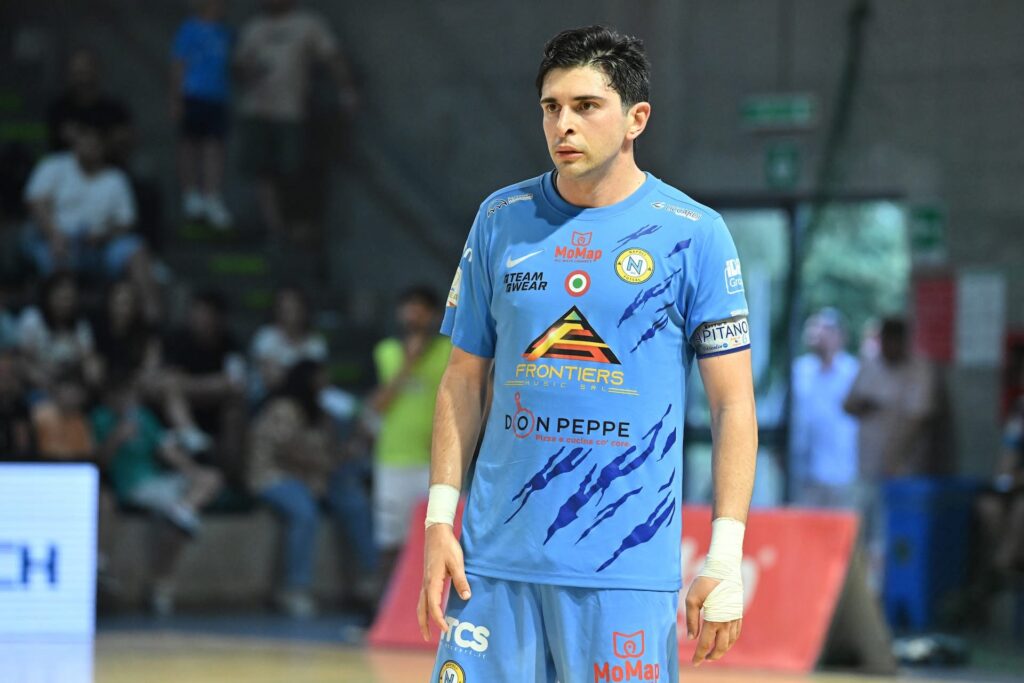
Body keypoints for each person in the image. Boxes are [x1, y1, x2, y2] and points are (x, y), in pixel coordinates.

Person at [419, 26, 758, 681]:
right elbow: (463, 380)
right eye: (551, 107)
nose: (563, 125)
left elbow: (733, 403)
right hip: (492, 566)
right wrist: (439, 520)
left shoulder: (694, 234)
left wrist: (725, 555)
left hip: (623, 571)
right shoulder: (500, 219)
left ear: (636, 119)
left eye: (585, 106)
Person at [247, 360, 376, 618]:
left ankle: (372, 580)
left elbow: (330, 448)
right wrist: (328, 463)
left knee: (354, 503)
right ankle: (294, 589)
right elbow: (289, 450)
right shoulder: (284, 408)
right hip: (274, 476)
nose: (324, 385)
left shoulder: (321, 410)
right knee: (304, 513)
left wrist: (355, 433)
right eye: (319, 380)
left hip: (315, 477)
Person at [92, 372, 223, 615]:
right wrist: (117, 437)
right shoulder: (100, 419)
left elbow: (166, 451)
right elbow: (97, 463)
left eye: (131, 396)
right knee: (180, 524)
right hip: (131, 486)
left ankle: (184, 509)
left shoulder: (143, 417)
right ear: (110, 397)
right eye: (122, 396)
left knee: (209, 479)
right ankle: (162, 583)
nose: (127, 401)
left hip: (157, 481)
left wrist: (192, 472)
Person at [233, 0, 357, 238]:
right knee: (262, 171)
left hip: (291, 112)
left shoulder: (308, 24)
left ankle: (298, 226)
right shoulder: (254, 27)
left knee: (293, 170)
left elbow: (333, 56)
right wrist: (251, 71)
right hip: (257, 110)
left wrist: (347, 89)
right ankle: (274, 227)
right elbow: (237, 66)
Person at [22, 116, 161, 319]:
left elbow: (126, 223)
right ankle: (54, 323)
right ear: (76, 142)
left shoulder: (115, 179)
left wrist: (103, 236)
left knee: (136, 249)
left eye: (95, 143)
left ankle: (152, 318)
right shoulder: (55, 165)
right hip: (53, 240)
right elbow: (36, 202)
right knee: (55, 254)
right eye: (85, 140)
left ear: (104, 147)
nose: (90, 147)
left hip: (98, 246)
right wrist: (54, 234)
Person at [844, 317, 939, 584]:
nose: (889, 347)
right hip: (866, 467)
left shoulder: (919, 370)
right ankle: (861, 589)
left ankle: (888, 590)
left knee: (889, 538)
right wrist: (866, 405)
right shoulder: (869, 365)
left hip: (903, 473)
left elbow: (919, 418)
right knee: (860, 533)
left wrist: (894, 459)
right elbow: (847, 404)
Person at [368, 286, 451, 580]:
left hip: (436, 462)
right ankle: (384, 604)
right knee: (390, 542)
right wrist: (408, 363)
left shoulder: (448, 352)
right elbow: (377, 406)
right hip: (393, 459)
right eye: (409, 307)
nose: (414, 314)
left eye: (422, 308)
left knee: (435, 542)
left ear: (434, 315)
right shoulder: (386, 351)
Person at [157, 290, 247, 480]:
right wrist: (213, 383)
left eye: (207, 314)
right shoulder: (177, 339)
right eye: (197, 312)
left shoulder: (230, 344)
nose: (201, 319)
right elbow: (170, 381)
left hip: (215, 407)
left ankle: (231, 477)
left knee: (235, 410)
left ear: (218, 317)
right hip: (181, 407)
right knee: (171, 393)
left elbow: (235, 384)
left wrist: (193, 386)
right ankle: (193, 439)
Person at [171, 0, 234, 229]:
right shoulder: (189, 29)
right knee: (189, 144)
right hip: (193, 95)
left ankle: (211, 196)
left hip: (217, 97)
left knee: (214, 146)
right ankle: (190, 195)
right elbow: (178, 64)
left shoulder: (225, 32)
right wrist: (176, 98)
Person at [789, 308, 859, 508]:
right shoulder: (799, 371)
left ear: (840, 336)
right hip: (805, 473)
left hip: (844, 471)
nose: (818, 334)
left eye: (826, 329)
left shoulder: (853, 372)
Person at [16, 271, 100, 393]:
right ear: (48, 296)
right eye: (61, 298)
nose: (66, 304)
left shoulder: (80, 324)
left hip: (71, 383)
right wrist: (46, 381)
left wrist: (91, 370)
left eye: (70, 298)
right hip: (40, 382)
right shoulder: (32, 319)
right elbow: (23, 360)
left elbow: (89, 357)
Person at [46, 47, 133, 164]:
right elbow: (58, 141)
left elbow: (124, 140)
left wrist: (80, 135)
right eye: (78, 73)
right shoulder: (59, 109)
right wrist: (104, 137)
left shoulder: (115, 110)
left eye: (86, 72)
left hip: (107, 168)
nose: (83, 79)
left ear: (96, 71)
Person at [248, 286, 327, 404]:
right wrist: (304, 376)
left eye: (295, 306)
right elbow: (272, 380)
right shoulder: (266, 336)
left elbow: (320, 382)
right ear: (277, 310)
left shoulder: (316, 341)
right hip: (268, 399)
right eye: (286, 307)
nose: (291, 312)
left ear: (305, 309)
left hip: (306, 401)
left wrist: (287, 373)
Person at [31, 366, 95, 462]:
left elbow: (88, 454)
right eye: (68, 390)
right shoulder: (40, 415)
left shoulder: (82, 421)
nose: (71, 396)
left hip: (74, 467)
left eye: (76, 392)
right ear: (57, 391)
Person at [0, 350, 33, 460]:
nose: (4, 377)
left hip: (13, 463)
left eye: (8, 372)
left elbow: (22, 445)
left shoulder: (21, 406)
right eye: (1, 372)